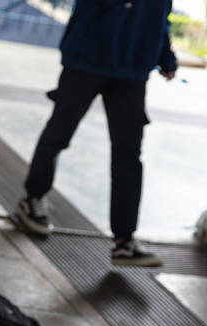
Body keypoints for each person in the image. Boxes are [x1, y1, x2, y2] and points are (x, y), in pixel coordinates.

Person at [14, 0, 177, 267]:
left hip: (133, 68)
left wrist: (165, 53)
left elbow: (161, 13)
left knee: (128, 154)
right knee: (59, 134)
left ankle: (124, 241)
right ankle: (33, 197)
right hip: (88, 57)